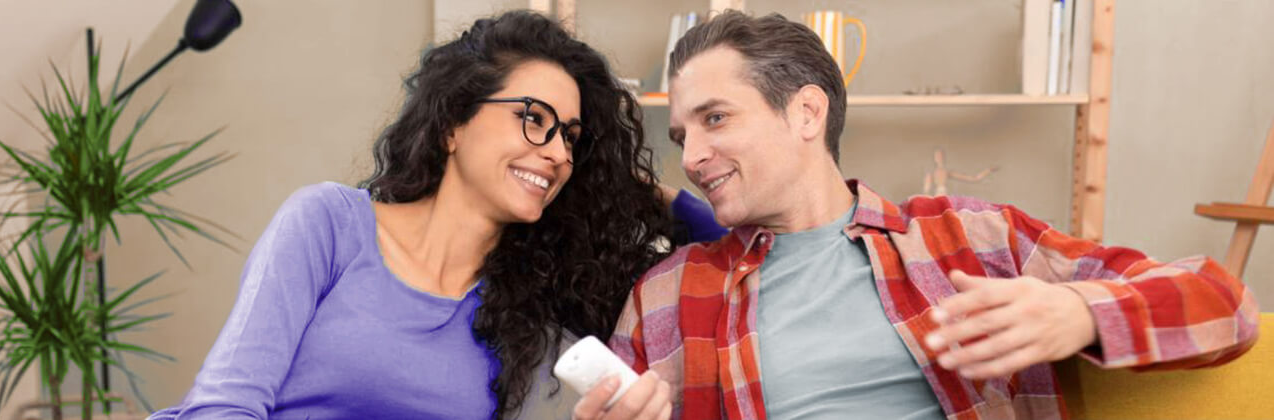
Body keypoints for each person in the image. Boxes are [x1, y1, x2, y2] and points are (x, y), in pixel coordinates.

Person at [575, 11, 1260, 420]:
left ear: (807, 112)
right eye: (680, 136)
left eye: (715, 119)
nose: (692, 156)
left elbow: (1224, 305)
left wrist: (1081, 313)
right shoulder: (668, 292)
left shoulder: (971, 240)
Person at [151, 11, 709, 420]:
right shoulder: (329, 225)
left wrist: (643, 190)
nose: (559, 152)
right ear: (452, 124)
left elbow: (745, 239)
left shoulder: (524, 309)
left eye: (571, 137)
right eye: (534, 118)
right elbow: (223, 406)